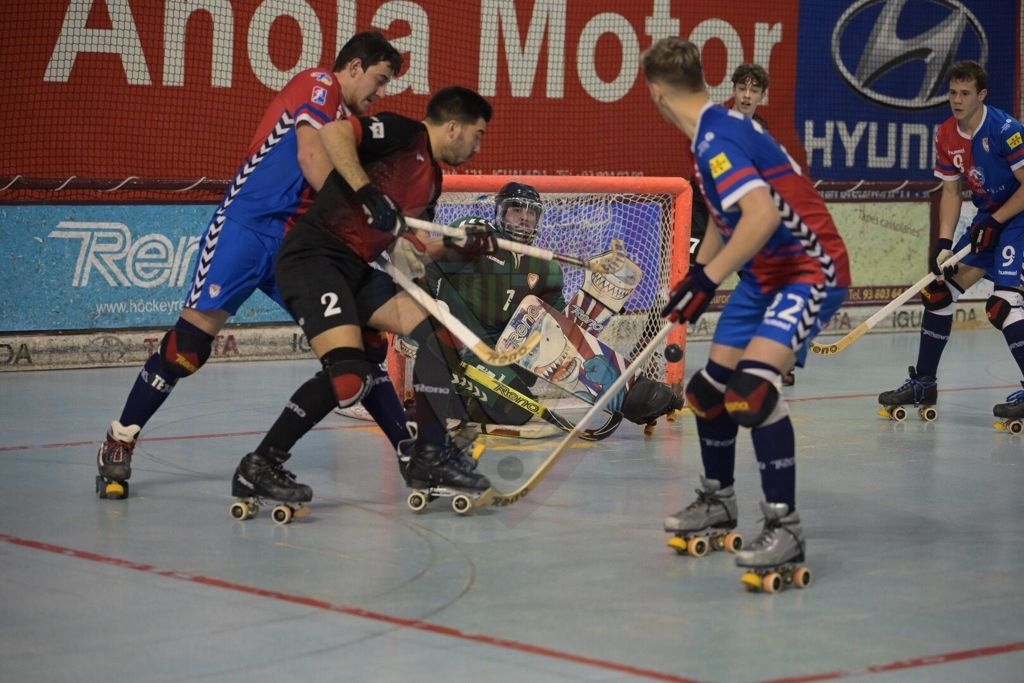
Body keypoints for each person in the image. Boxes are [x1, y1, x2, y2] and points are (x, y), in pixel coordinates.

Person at [95, 33, 409, 499]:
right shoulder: (319, 84)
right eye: (379, 81)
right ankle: (119, 440)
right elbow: (309, 156)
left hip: (298, 246)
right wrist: (361, 214)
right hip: (247, 229)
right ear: (356, 66)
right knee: (189, 345)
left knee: (361, 341)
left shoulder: (350, 125)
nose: (378, 94)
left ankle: (412, 453)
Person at [231, 86, 497, 507]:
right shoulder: (401, 132)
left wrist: (459, 247)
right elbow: (334, 133)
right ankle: (259, 465)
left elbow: (412, 251)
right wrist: (367, 192)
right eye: (478, 134)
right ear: (453, 127)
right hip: (313, 259)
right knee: (350, 375)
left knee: (437, 335)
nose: (478, 146)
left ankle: (429, 454)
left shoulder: (432, 182)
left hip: (355, 268)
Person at [641, 38, 851, 573]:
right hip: (763, 276)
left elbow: (761, 217)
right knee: (707, 392)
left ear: (656, 93)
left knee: (751, 392)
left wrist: (709, 279)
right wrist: (694, 275)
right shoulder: (713, 130)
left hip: (809, 270)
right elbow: (724, 215)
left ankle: (786, 528)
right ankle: (718, 502)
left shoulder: (717, 138)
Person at [877, 60, 1024, 423]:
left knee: (1002, 305)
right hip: (988, 221)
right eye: (953, 93)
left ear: (981, 95)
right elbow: (951, 190)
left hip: (1017, 219)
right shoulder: (945, 135)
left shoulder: (1005, 129)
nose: (957, 100)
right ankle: (924, 383)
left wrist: (996, 221)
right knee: (939, 290)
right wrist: (944, 242)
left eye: (965, 93)